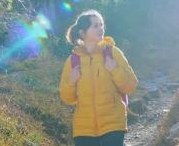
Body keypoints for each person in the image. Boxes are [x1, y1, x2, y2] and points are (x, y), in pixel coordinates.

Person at [59, 9, 138, 146]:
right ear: (82, 33)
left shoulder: (114, 53)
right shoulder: (72, 61)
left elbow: (130, 85)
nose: (100, 28)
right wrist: (71, 81)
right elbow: (67, 98)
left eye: (101, 24)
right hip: (84, 128)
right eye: (95, 25)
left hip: (113, 123)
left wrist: (114, 69)